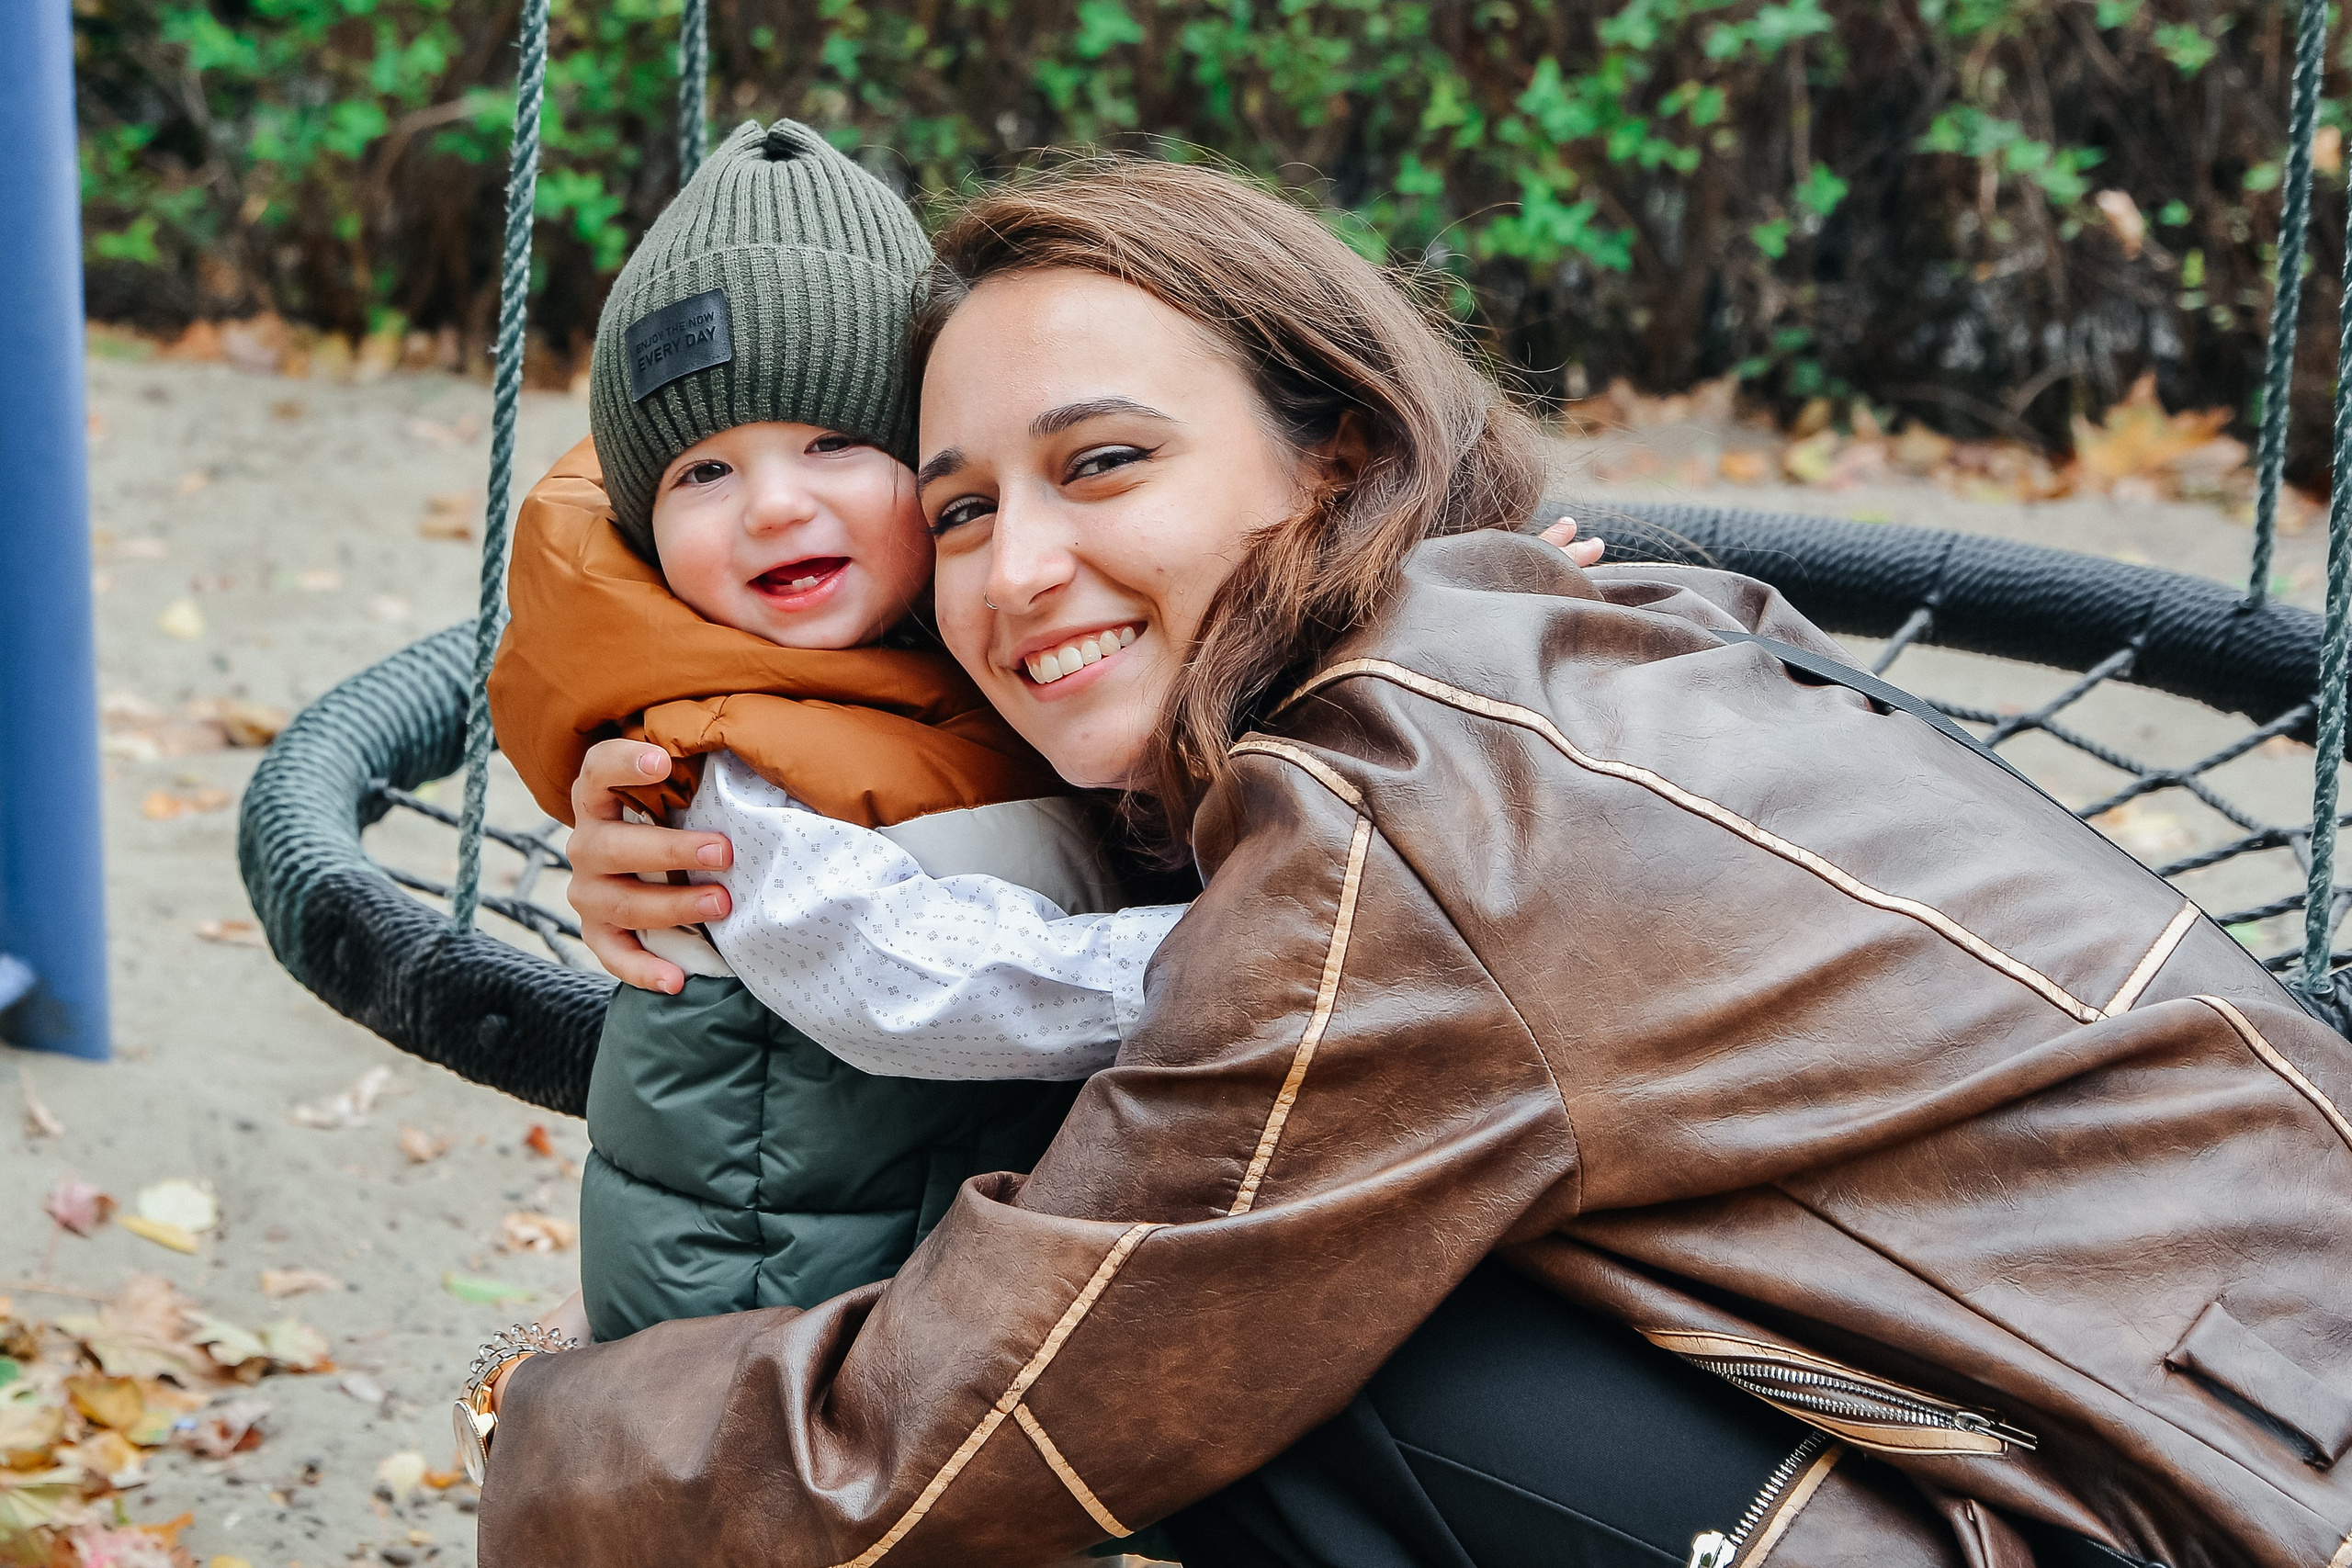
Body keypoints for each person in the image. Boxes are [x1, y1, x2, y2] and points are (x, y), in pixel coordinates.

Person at [475, 157, 2352, 1567]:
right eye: (957, 505)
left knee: (1226, 1361)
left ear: (1331, 456)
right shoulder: (1540, 634)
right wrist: (711, 778)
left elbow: (983, 1411)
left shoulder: (1404, 821)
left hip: (2185, 1502)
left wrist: (544, 1428)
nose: (1015, 566)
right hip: (2225, 1387)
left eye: (1103, 462)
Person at [485, 118, 1205, 1345]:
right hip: (762, 1321)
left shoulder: (966, 650)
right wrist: (1217, 963)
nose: (774, 506)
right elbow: (895, 977)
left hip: (916, 1251)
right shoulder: (722, 755)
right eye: (702, 473)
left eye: (834, 444)